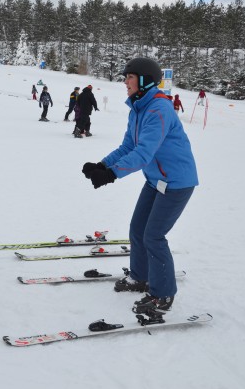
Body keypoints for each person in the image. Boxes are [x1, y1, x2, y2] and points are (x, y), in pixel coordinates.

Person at [81, 57, 198, 316]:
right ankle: (140, 277)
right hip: (156, 180)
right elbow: (128, 147)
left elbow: (144, 152)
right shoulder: (139, 108)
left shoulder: (159, 109)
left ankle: (163, 293)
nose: (125, 82)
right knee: (137, 230)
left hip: (177, 182)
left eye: (129, 77)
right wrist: (101, 164)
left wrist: (111, 174)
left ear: (144, 80)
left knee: (154, 236)